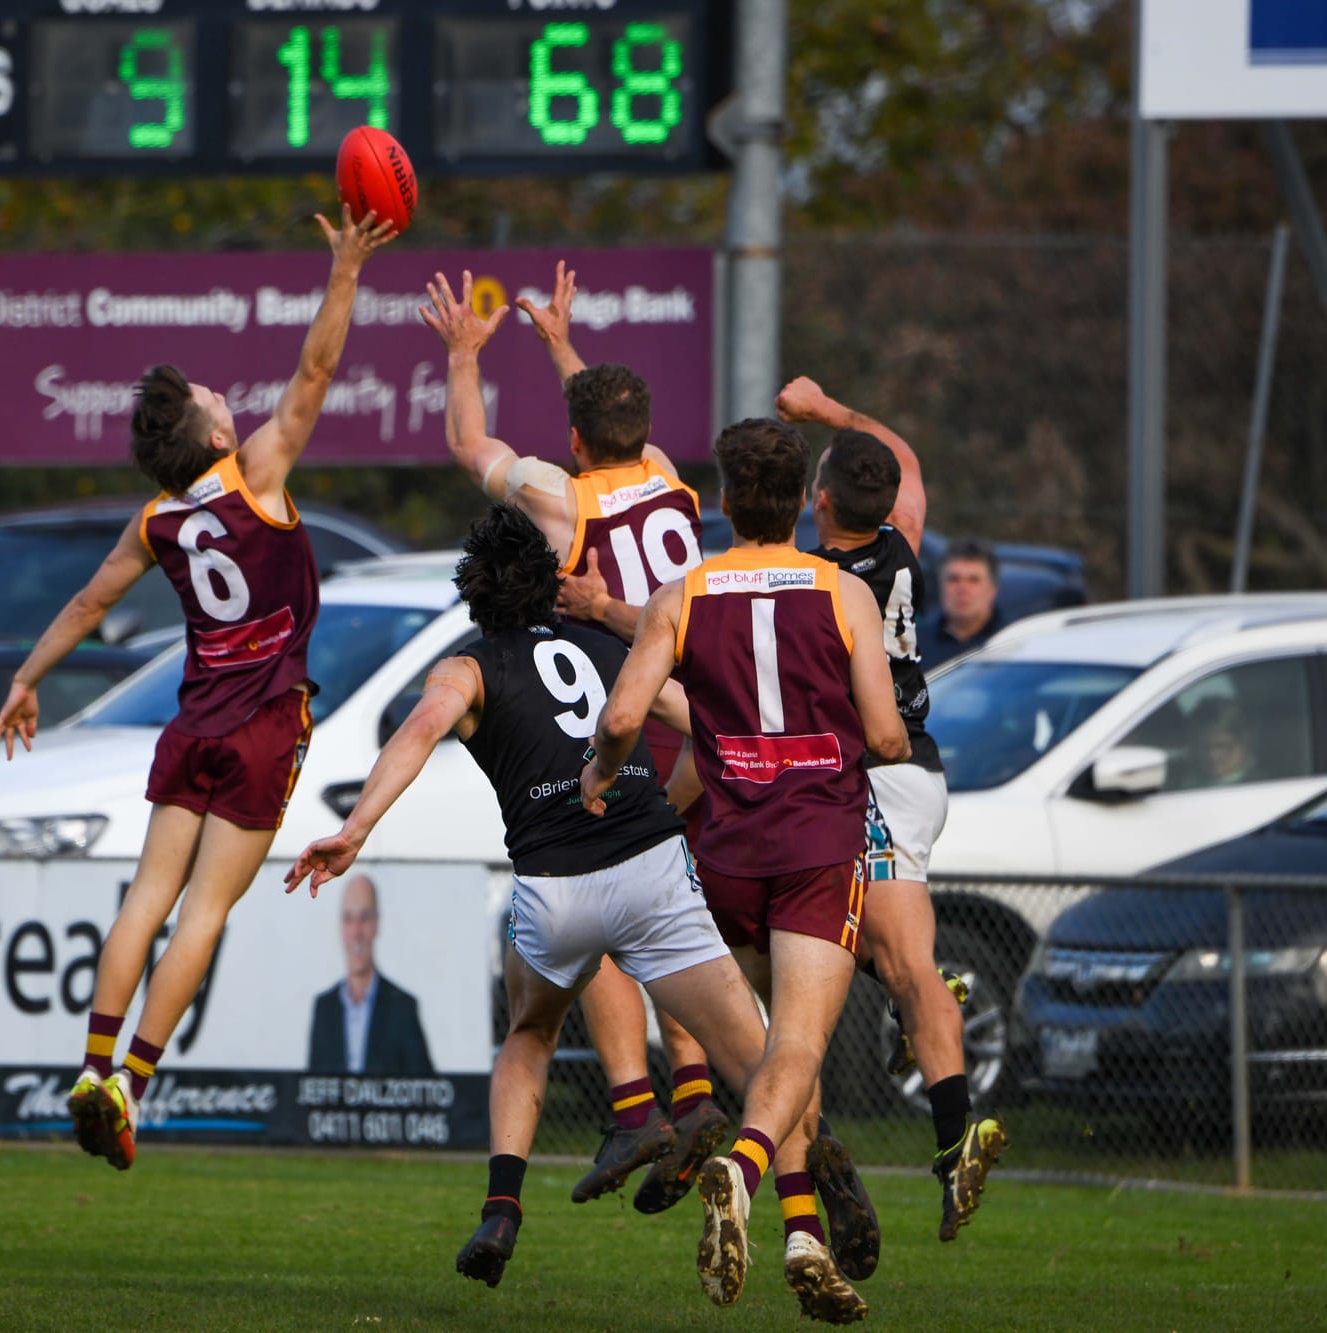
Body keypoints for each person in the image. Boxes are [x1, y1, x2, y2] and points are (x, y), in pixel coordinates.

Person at [0, 205, 396, 1172]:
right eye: (214, 393)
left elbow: (89, 604)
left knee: (145, 898)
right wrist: (344, 270)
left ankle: (91, 1064)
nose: (225, 392)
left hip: (192, 721)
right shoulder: (258, 474)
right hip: (262, 723)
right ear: (213, 428)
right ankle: (130, 1082)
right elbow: (316, 373)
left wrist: (24, 678)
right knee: (204, 913)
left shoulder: (157, 520)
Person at [284, 506, 775, 1298]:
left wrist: (355, 829)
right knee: (766, 1066)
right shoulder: (608, 644)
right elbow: (703, 724)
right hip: (650, 864)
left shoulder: (468, 668)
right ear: (549, 585)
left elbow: (416, 733)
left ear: (472, 592)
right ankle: (813, 1189)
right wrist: (702, 795)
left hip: (553, 887)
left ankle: (502, 1208)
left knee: (529, 1031)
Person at [581, 418, 909, 1320]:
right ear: (805, 501)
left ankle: (804, 1235)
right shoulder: (844, 593)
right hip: (815, 847)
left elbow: (621, 719)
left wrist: (600, 777)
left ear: (725, 502)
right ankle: (744, 1167)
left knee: (771, 1057)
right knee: (798, 1050)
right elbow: (884, 734)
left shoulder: (681, 593)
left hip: (725, 853)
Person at [422, 263, 723, 1214]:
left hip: (628, 710)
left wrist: (466, 355)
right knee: (670, 924)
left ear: (573, 439)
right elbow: (611, 428)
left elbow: (470, 442)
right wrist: (560, 345)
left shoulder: (564, 498)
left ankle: (637, 1108)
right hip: (700, 713)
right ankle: (695, 1100)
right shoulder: (671, 478)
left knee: (593, 900)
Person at [780, 375, 1009, 1245]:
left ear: (821, 497)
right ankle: (929, 1019)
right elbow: (904, 458)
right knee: (874, 948)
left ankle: (955, 1142)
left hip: (875, 772)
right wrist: (831, 411)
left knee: (905, 961)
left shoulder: (820, 582)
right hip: (918, 767)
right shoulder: (904, 543)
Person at [306, 874, 434, 1076]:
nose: (356, 931)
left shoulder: (403, 1008)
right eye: (349, 919)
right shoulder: (324, 1009)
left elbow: (424, 1087)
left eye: (364, 918)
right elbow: (313, 1086)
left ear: (376, 924)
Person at [919, 539, 1005, 669]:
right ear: (940, 585)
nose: (962, 589)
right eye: (953, 579)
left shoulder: (1009, 641)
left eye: (973, 580)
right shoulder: (915, 642)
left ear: (993, 589)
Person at [1187, 697, 1256, 786]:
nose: (1212, 755)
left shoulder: (1261, 786)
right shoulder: (1181, 782)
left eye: (1221, 746)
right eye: (1203, 747)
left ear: (1243, 742)